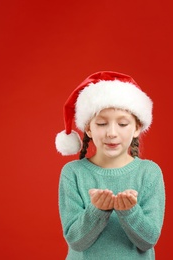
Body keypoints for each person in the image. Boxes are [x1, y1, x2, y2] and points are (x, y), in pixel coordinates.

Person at [55, 71, 165, 260]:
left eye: (122, 124)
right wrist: (97, 210)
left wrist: (129, 212)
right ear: (88, 128)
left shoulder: (149, 173)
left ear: (137, 128)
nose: (112, 133)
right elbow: (75, 240)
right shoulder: (73, 173)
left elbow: (148, 240)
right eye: (102, 123)